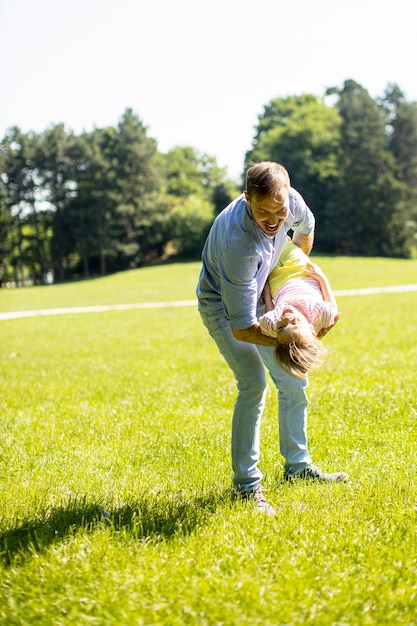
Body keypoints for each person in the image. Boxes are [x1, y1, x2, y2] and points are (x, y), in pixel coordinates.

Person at [196, 161, 348, 517]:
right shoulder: (239, 245)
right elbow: (243, 328)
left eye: (279, 212)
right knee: (253, 383)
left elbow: (306, 230)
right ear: (247, 198)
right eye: (263, 212)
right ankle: (247, 488)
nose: (273, 221)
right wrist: (291, 340)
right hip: (225, 306)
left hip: (266, 295)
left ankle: (298, 468)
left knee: (294, 380)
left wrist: (288, 279)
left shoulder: (289, 202)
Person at [259, 237, 341, 378]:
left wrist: (267, 291)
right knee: (282, 240)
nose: (286, 318)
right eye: (295, 322)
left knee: (264, 245)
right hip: (300, 270)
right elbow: (334, 309)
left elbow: (271, 310)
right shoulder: (319, 314)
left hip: (276, 280)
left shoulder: (271, 324)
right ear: (311, 329)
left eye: (281, 327)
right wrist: (322, 278)